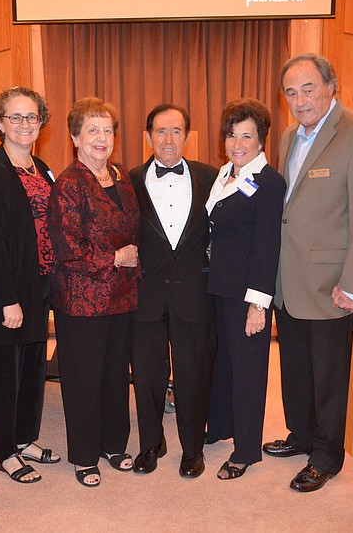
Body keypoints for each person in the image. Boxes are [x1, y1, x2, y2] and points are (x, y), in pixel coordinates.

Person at [263, 53, 353, 492]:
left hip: (332, 282)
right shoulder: (287, 137)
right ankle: (300, 435)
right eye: (291, 93)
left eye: (309, 88)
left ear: (332, 86)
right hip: (290, 278)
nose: (300, 100)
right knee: (296, 368)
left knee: (329, 376)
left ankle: (326, 455)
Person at [48, 97, 141, 487]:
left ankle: (112, 443)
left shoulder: (119, 176)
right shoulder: (69, 183)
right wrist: (116, 257)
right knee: (84, 378)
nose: (101, 138)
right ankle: (85, 455)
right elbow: (66, 247)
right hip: (82, 299)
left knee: (116, 375)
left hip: (122, 297)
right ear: (74, 137)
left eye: (107, 130)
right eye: (92, 130)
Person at [0, 87, 60, 484]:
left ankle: (25, 438)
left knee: (31, 368)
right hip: (6, 290)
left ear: (40, 122)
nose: (25, 125)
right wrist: (7, 299)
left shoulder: (40, 168)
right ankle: (3, 451)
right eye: (15, 117)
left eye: (31, 117)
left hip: (38, 284)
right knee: (3, 372)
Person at [129, 104, 218, 478]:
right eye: (161, 131)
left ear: (187, 136)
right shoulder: (127, 180)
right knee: (147, 375)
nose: (168, 139)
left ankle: (192, 448)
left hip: (194, 294)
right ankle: (151, 442)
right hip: (145, 295)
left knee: (192, 375)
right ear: (147, 136)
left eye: (177, 131)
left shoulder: (211, 177)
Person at [204, 98, 285, 480]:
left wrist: (258, 305)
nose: (237, 143)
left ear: (261, 140)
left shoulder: (269, 181)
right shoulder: (226, 174)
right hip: (217, 287)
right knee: (223, 362)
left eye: (246, 136)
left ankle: (247, 450)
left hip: (245, 294)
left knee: (248, 369)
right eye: (232, 135)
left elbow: (268, 246)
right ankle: (221, 425)